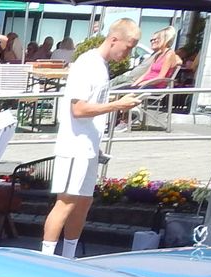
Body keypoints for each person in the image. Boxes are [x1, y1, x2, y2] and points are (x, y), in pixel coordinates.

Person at [41, 18, 140, 256]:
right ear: (114, 39)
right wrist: (117, 105)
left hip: (88, 145)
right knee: (66, 202)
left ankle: (69, 256)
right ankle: (46, 258)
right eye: (128, 47)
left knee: (83, 202)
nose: (128, 54)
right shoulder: (87, 64)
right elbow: (78, 109)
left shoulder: (100, 65)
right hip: (75, 144)